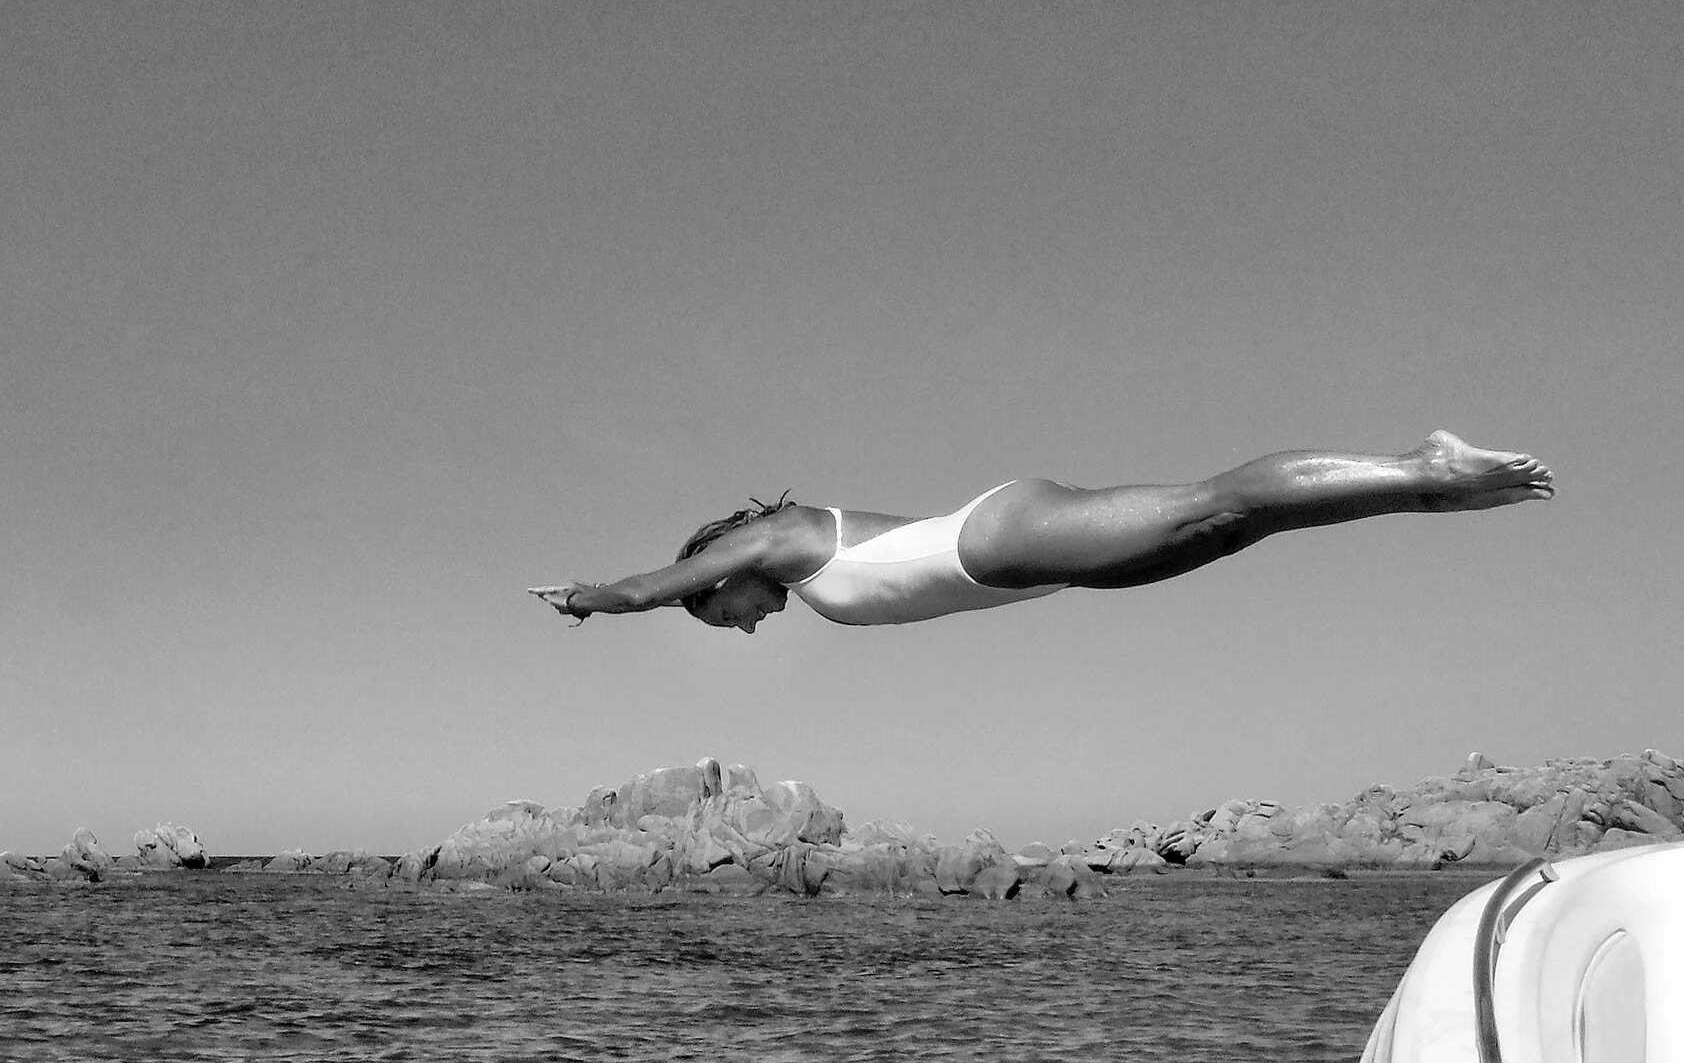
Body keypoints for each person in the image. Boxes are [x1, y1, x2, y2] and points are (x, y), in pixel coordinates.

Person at [529, 430, 1553, 634]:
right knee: (1238, 532)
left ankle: (1426, 469)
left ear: (719, 573)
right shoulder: (795, 570)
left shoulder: (781, 539)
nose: (746, 625)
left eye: (727, 618)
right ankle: (1420, 490)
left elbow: (650, 587)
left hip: (1001, 536)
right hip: (1022, 563)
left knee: (1215, 505)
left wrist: (593, 598)